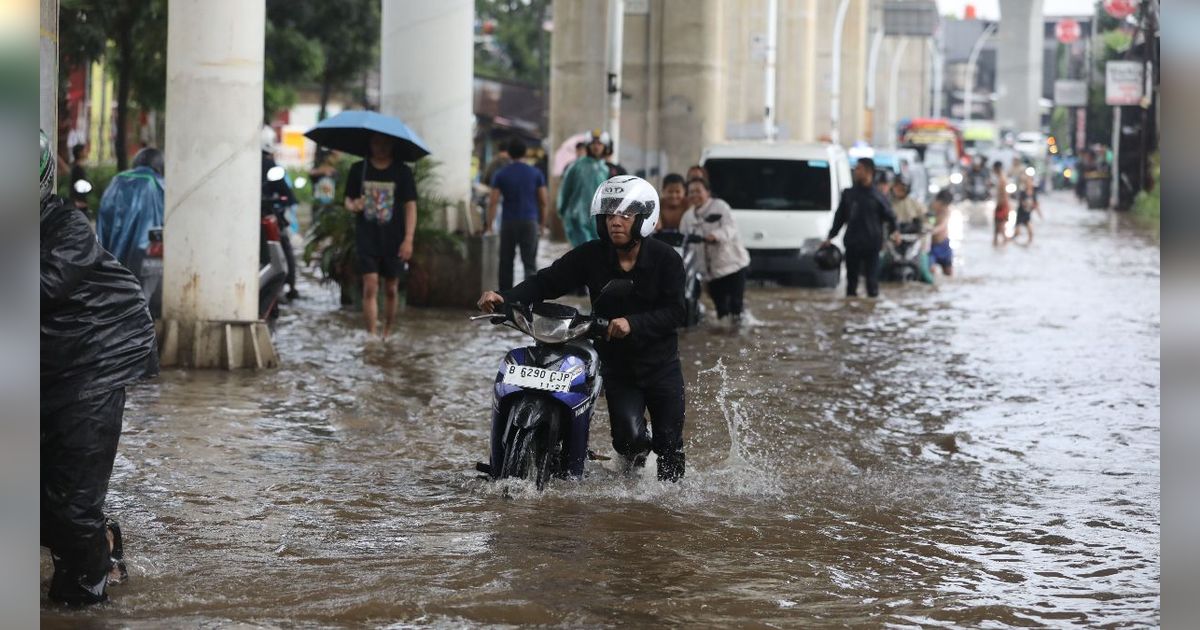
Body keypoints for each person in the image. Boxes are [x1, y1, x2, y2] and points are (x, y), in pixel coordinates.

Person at [477, 176, 688, 481]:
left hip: (661, 366)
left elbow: (677, 312)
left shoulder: (667, 259)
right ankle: (635, 472)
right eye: (610, 215)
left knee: (669, 445)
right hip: (618, 367)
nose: (616, 222)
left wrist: (633, 323)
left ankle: (669, 507)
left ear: (643, 219)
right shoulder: (591, 254)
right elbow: (546, 281)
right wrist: (505, 298)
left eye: (625, 215)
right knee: (628, 440)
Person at [40, 130, 157, 606]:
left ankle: (84, 600)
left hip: (98, 358)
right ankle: (102, 540)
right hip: (48, 367)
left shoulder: (66, 227)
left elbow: (36, 288)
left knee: (70, 510)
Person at [344, 133, 418, 339]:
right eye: (377, 142)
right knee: (370, 285)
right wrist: (353, 205)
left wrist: (409, 238)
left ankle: (387, 330)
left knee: (392, 289)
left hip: (394, 238)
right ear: (370, 144)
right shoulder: (359, 169)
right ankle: (372, 335)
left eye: (386, 143)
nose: (381, 147)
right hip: (366, 236)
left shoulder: (402, 172)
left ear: (393, 145)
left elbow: (411, 206)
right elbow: (347, 200)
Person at [821, 157, 900, 299]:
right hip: (852, 243)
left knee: (872, 283)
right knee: (851, 283)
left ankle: (870, 312)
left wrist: (896, 232)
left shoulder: (878, 196)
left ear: (868, 172)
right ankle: (852, 313)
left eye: (859, 169)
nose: (856, 172)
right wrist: (830, 237)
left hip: (872, 245)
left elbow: (891, 217)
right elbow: (840, 218)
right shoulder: (849, 194)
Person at [680, 177, 751, 323]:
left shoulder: (720, 207)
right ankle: (724, 335)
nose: (695, 195)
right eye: (691, 192)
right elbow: (683, 240)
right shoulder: (687, 217)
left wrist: (715, 236)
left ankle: (738, 333)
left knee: (736, 305)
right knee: (721, 309)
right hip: (710, 272)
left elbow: (730, 227)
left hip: (734, 265)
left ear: (708, 192)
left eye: (698, 191)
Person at [486, 137, 549, 291]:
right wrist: (542, 224)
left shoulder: (501, 174)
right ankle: (529, 300)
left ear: (509, 153)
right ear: (525, 153)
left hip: (508, 223)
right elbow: (543, 201)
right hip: (529, 222)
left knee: (506, 263)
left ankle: (505, 299)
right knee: (529, 263)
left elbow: (493, 201)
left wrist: (489, 225)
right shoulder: (536, 173)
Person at [96, 146, 165, 273]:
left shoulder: (117, 180)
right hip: (145, 260)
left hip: (113, 263)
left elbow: (103, 223)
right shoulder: (157, 182)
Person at [261, 137, 301, 300]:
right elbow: (289, 197)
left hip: (265, 214)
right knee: (284, 245)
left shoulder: (269, 169)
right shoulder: (271, 166)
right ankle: (291, 286)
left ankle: (290, 285)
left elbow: (288, 196)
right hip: (265, 213)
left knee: (283, 241)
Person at [556, 128, 610, 246]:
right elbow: (565, 189)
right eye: (593, 143)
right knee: (582, 254)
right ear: (588, 146)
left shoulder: (605, 169)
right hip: (577, 218)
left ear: (605, 147)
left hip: (598, 219)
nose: (596, 147)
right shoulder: (576, 166)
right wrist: (562, 210)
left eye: (600, 144)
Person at [927, 189, 955, 277]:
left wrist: (934, 230)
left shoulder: (946, 211)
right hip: (931, 246)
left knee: (948, 272)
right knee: (931, 269)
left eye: (946, 205)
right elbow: (928, 221)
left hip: (944, 245)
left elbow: (943, 225)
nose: (943, 207)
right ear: (937, 200)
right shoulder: (930, 208)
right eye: (942, 204)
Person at [308, 148, 340, 224]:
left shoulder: (335, 169)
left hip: (330, 198)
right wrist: (323, 171)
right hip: (319, 197)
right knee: (318, 214)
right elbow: (311, 173)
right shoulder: (318, 166)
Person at [1013, 172, 1042, 245]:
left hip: (1027, 215)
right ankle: (1011, 242)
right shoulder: (1023, 192)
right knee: (1017, 233)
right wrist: (1028, 204)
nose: (1029, 183)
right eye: (1028, 182)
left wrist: (1039, 214)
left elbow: (1036, 204)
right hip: (1020, 214)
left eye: (1030, 181)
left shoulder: (1034, 193)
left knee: (1031, 232)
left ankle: (1028, 245)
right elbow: (1021, 203)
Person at [992, 160, 1010, 246]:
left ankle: (1003, 245)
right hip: (1002, 205)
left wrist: (999, 206)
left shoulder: (1002, 179)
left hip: (1002, 205)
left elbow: (1004, 195)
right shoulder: (1001, 178)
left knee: (1000, 228)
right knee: (997, 229)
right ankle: (997, 246)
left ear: (996, 169)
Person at [68, 143, 90, 213]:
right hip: (79, 204)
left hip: (81, 202)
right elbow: (75, 186)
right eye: (84, 150)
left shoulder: (78, 167)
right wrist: (76, 201)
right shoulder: (77, 169)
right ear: (79, 153)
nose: (86, 152)